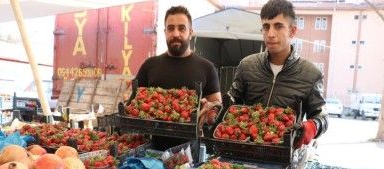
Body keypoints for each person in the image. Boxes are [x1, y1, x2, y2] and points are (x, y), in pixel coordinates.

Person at [203, 0, 328, 148]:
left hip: (284, 154)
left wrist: (312, 127)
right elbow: (232, 102)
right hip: (245, 150)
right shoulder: (247, 65)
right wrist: (216, 108)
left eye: (278, 26)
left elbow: (322, 116)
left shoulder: (311, 74)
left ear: (292, 31)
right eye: (266, 27)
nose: (270, 34)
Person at [135, 6, 222, 158]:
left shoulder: (207, 67)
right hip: (150, 150)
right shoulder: (149, 65)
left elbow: (217, 107)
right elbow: (134, 101)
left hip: (189, 151)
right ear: (165, 32)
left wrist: (210, 109)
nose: (176, 34)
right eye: (171, 28)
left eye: (182, 28)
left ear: (191, 32)